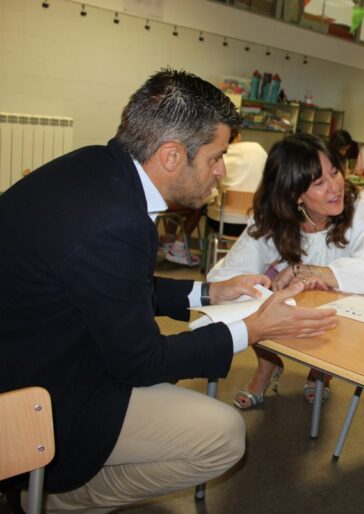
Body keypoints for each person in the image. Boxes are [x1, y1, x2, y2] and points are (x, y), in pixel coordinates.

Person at [0, 69, 338, 511]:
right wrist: (251, 330)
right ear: (172, 155)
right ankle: (53, 500)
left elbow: (113, 287)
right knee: (223, 436)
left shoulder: (96, 166)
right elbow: (142, 363)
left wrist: (208, 293)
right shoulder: (118, 222)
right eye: (217, 158)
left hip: (30, 356)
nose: (221, 172)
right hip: (33, 399)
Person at [208, 134, 364, 408]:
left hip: (346, 307)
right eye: (319, 183)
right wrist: (263, 285)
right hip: (295, 306)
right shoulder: (274, 216)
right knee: (256, 299)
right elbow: (227, 277)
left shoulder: (360, 204)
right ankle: (267, 364)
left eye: (335, 172)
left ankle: (320, 372)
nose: (335, 187)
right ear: (294, 194)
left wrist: (306, 271)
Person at [206, 127, 268, 237]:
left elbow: (209, 194)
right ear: (238, 135)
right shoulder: (257, 149)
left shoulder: (218, 155)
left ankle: (220, 253)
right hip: (256, 222)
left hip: (223, 224)